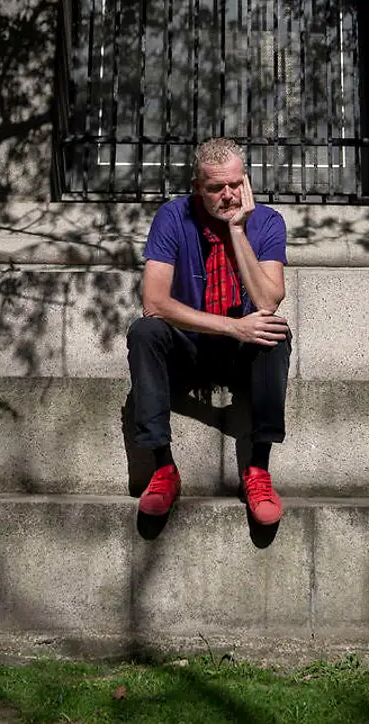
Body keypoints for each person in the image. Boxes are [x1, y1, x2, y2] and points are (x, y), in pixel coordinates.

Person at [126, 137, 291, 525]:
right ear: (198, 187)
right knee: (144, 331)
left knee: (275, 331)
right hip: (191, 347)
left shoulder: (267, 222)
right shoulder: (173, 217)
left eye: (236, 184)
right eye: (217, 188)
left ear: (247, 182)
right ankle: (163, 467)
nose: (229, 195)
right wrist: (233, 326)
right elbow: (155, 302)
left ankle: (258, 469)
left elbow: (268, 300)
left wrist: (237, 231)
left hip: (242, 355)